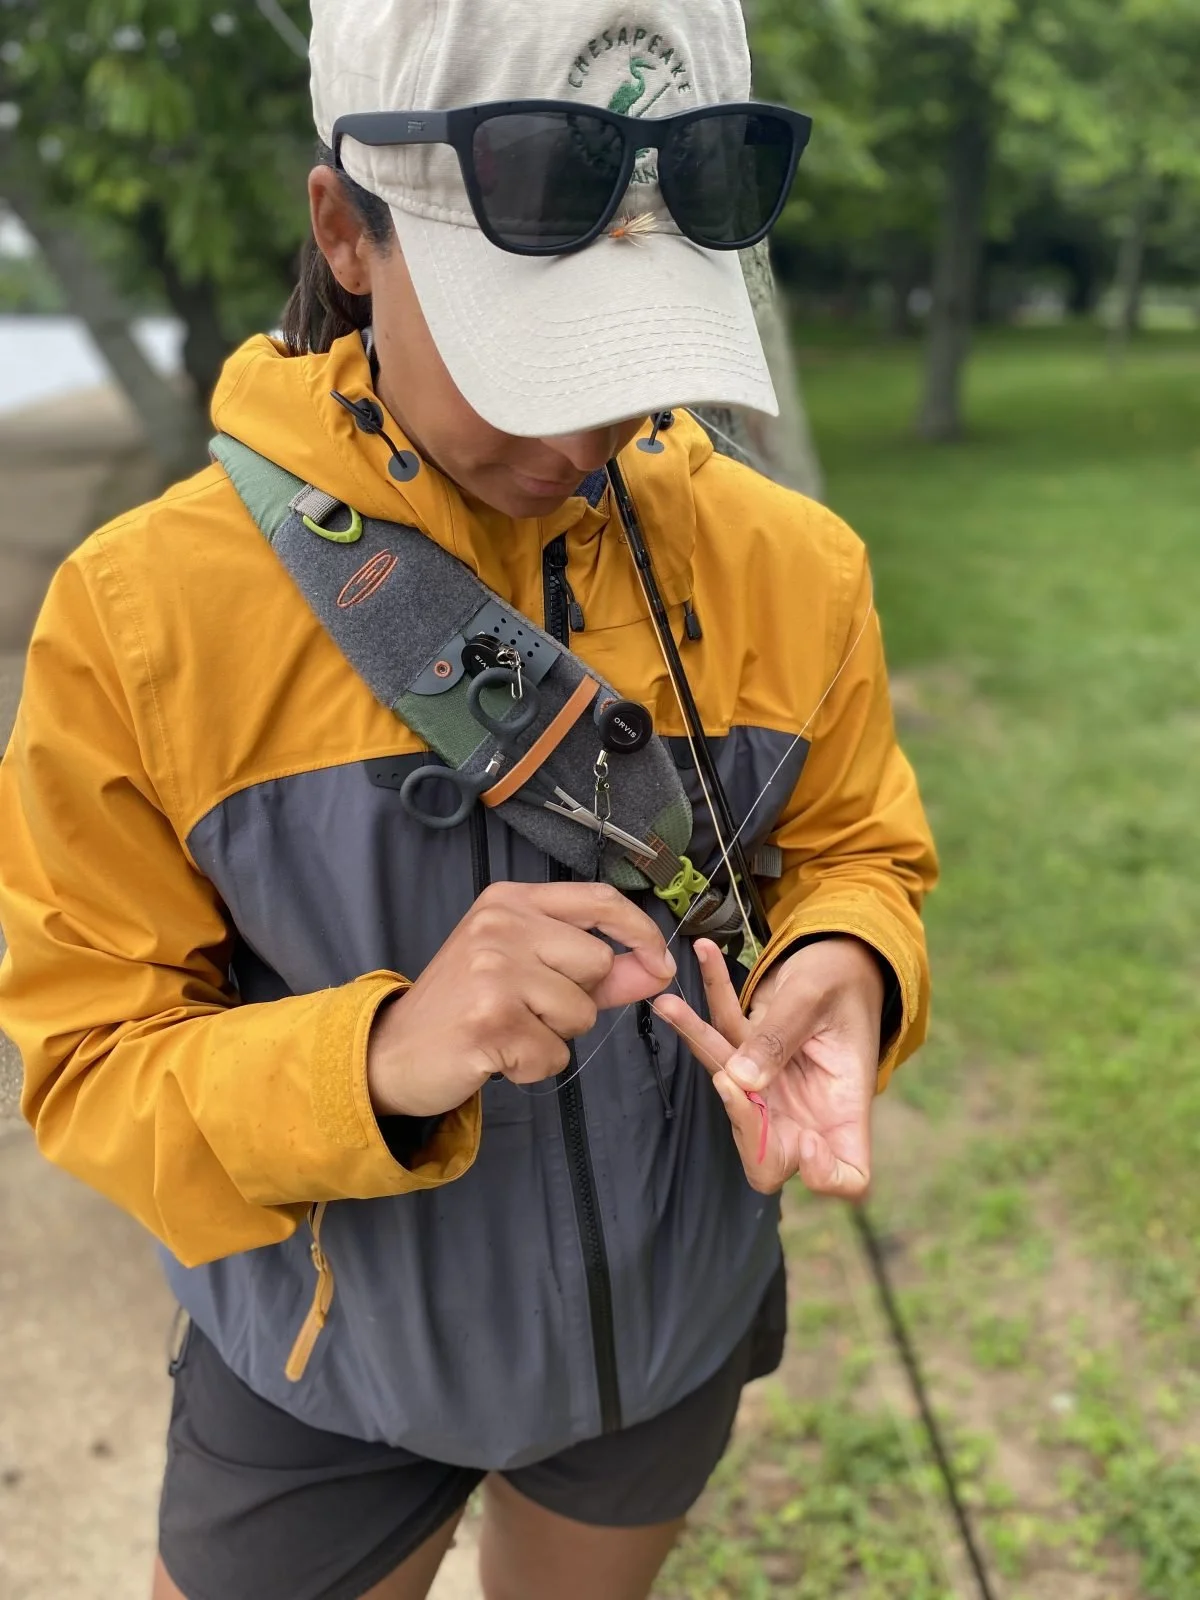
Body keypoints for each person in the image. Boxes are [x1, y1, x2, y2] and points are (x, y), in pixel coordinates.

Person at [0, 3, 937, 1597]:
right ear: (343, 234)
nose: (579, 431)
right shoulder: (141, 617)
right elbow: (87, 1067)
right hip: (323, 1373)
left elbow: (858, 852)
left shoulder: (797, 567)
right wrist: (379, 1054)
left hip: (666, 1340)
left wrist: (848, 962)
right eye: (527, 354)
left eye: (632, 354)